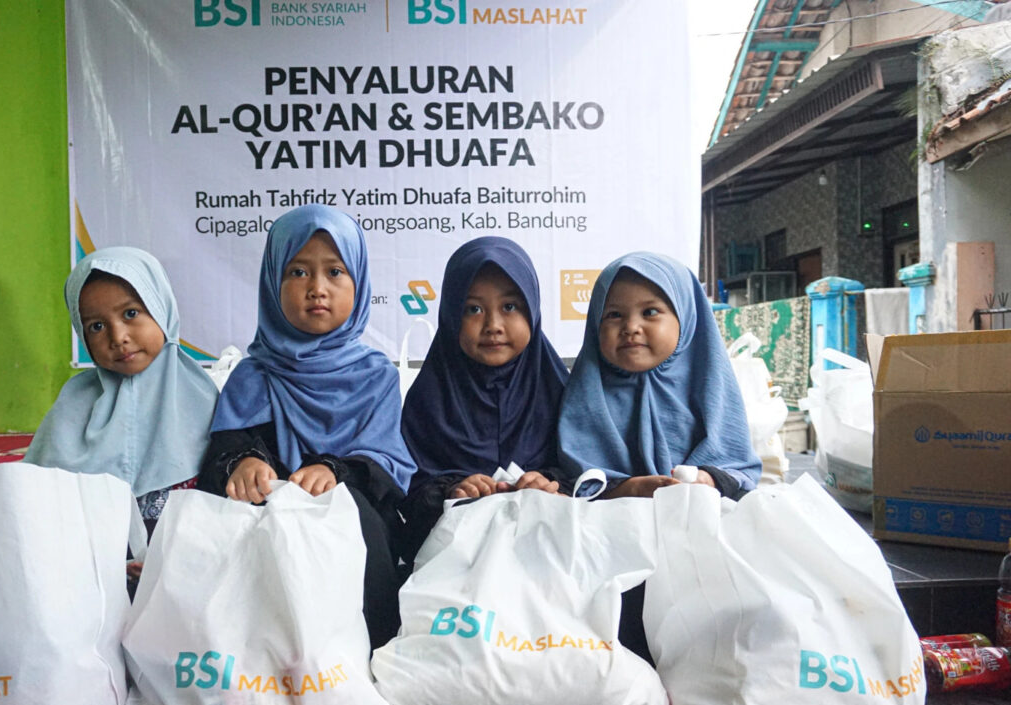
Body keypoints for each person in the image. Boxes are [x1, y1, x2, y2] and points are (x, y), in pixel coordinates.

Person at [196, 204, 414, 648]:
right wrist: (244, 463)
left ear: (359, 283)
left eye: (335, 272)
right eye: (297, 272)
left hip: (357, 543)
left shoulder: (376, 376)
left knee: (357, 514)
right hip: (267, 543)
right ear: (272, 282)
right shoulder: (252, 375)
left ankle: (373, 660)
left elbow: (386, 465)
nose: (317, 288)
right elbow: (225, 451)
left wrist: (334, 471)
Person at [558, 251, 760, 661]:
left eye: (650, 312)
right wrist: (629, 489)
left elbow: (738, 467)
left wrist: (707, 480)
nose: (631, 327)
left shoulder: (709, 385)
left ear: (686, 318)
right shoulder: (587, 392)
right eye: (614, 315)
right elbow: (574, 481)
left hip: (703, 558)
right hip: (613, 562)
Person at [25, 247, 220, 578]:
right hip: (93, 581)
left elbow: (225, 509)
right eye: (96, 326)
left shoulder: (206, 399)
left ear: (161, 308)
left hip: (189, 577)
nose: (117, 337)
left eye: (131, 314)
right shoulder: (73, 406)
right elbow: (38, 507)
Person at [399, 236, 568, 560]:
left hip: (547, 555)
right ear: (451, 315)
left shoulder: (560, 392)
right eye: (473, 309)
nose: (493, 326)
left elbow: (589, 476)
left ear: (532, 309)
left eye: (510, 307)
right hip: (454, 562)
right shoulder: (429, 399)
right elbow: (406, 489)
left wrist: (548, 484)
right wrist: (451, 491)